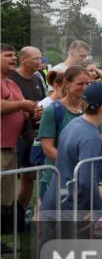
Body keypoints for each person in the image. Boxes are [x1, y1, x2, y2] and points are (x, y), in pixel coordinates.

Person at [42, 82, 102, 223]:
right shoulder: (91, 137)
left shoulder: (74, 124)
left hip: (56, 198)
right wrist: (100, 211)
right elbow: (87, 180)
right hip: (71, 206)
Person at [37, 65, 94, 204]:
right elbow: (47, 147)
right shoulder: (53, 111)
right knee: (54, 222)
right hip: (56, 177)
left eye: (88, 83)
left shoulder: (91, 109)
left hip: (83, 177)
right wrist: (74, 164)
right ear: (67, 84)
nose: (85, 87)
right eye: (80, 84)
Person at [9, 47, 46, 221]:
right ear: (23, 59)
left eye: (40, 58)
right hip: (17, 135)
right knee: (19, 177)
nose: (39, 62)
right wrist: (30, 113)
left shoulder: (38, 77)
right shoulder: (11, 79)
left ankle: (20, 214)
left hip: (34, 132)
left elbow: (43, 100)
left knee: (30, 176)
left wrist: (40, 111)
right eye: (35, 58)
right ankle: (13, 216)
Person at [1, 44, 35, 231]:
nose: (13, 59)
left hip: (11, 145)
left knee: (5, 197)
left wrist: (31, 113)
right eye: (8, 55)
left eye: (14, 55)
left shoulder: (12, 83)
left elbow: (21, 111)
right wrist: (22, 104)